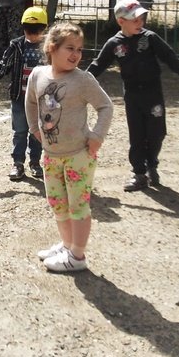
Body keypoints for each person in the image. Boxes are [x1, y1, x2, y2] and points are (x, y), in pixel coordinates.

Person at [87, 0, 179, 191]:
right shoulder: (114, 43)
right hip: (132, 96)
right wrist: (80, 81)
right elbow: (98, 65)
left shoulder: (150, 38)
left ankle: (151, 164)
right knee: (137, 134)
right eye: (135, 20)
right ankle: (139, 173)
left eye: (141, 18)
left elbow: (169, 57)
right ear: (121, 21)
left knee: (157, 132)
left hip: (153, 94)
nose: (140, 22)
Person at [27, 22, 113, 273]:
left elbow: (106, 106)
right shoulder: (38, 75)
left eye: (79, 49)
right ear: (52, 48)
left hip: (79, 156)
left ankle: (77, 255)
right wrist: (34, 128)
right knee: (58, 204)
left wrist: (97, 136)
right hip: (51, 155)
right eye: (70, 48)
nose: (76, 54)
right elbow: (30, 102)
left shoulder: (83, 80)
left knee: (78, 206)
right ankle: (67, 245)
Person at [0, 6, 47, 180]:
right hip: (19, 97)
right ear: (23, 27)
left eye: (36, 31)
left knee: (37, 132)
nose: (32, 35)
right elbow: (3, 66)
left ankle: (35, 162)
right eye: (28, 30)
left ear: (44, 29)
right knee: (19, 131)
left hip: (41, 100)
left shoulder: (49, 47)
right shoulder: (16, 45)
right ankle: (18, 163)